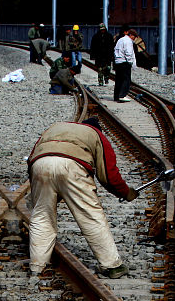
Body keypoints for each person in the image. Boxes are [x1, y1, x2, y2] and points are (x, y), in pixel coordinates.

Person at [27, 118, 137, 279]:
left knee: (42, 215)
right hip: (73, 167)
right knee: (90, 216)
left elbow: (32, 157)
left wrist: (41, 192)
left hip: (40, 164)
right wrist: (125, 192)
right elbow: (109, 175)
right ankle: (112, 266)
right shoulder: (96, 134)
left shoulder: (55, 127)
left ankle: (37, 266)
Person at [112, 27, 137, 103]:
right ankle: (122, 95)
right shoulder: (128, 41)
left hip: (118, 62)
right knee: (126, 79)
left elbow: (115, 50)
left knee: (118, 80)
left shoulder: (120, 40)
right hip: (124, 62)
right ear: (131, 35)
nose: (134, 39)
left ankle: (116, 96)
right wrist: (131, 63)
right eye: (134, 37)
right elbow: (128, 53)